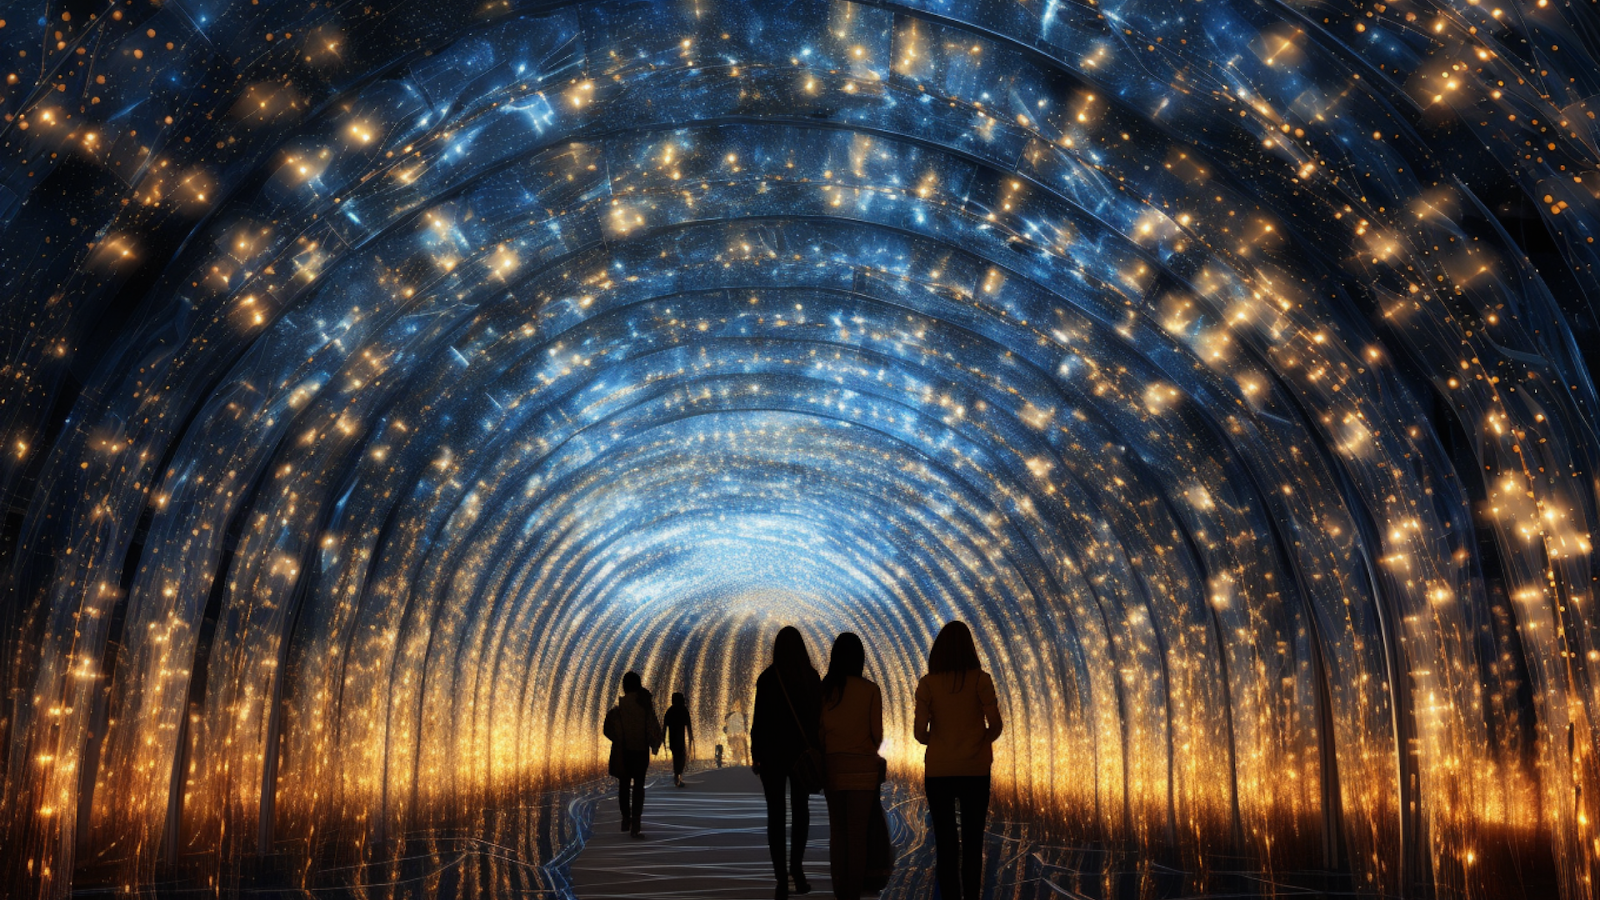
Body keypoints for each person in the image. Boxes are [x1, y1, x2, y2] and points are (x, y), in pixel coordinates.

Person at [914, 621, 1002, 900]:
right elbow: (997, 725)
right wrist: (978, 740)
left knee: (946, 842)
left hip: (939, 772)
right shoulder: (981, 680)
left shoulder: (928, 684)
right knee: (973, 841)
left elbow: (919, 733)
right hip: (975, 770)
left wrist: (940, 742)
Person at [750, 626, 822, 899]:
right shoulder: (811, 678)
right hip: (801, 755)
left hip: (772, 755)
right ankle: (797, 870)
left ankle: (781, 878)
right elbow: (817, 720)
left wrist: (755, 752)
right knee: (801, 811)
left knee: (776, 816)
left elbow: (759, 721)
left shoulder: (768, 679)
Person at [819, 632, 883, 900]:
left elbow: (820, 732)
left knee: (839, 832)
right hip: (863, 771)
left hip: (833, 767)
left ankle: (839, 891)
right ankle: (853, 895)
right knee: (858, 835)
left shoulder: (825, 690)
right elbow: (877, 736)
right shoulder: (870, 690)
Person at [603, 671, 663, 838]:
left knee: (624, 785)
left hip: (624, 752)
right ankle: (636, 822)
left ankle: (625, 817)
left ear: (624, 686)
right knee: (638, 787)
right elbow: (653, 727)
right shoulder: (645, 705)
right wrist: (655, 744)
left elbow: (607, 729)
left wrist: (618, 739)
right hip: (641, 751)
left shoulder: (619, 708)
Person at [664, 691, 695, 787]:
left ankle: (677, 775)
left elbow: (664, 726)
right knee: (680, 757)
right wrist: (690, 737)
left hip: (674, 739)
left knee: (677, 757)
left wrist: (662, 739)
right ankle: (678, 775)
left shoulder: (671, 711)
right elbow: (688, 725)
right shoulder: (682, 710)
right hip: (678, 739)